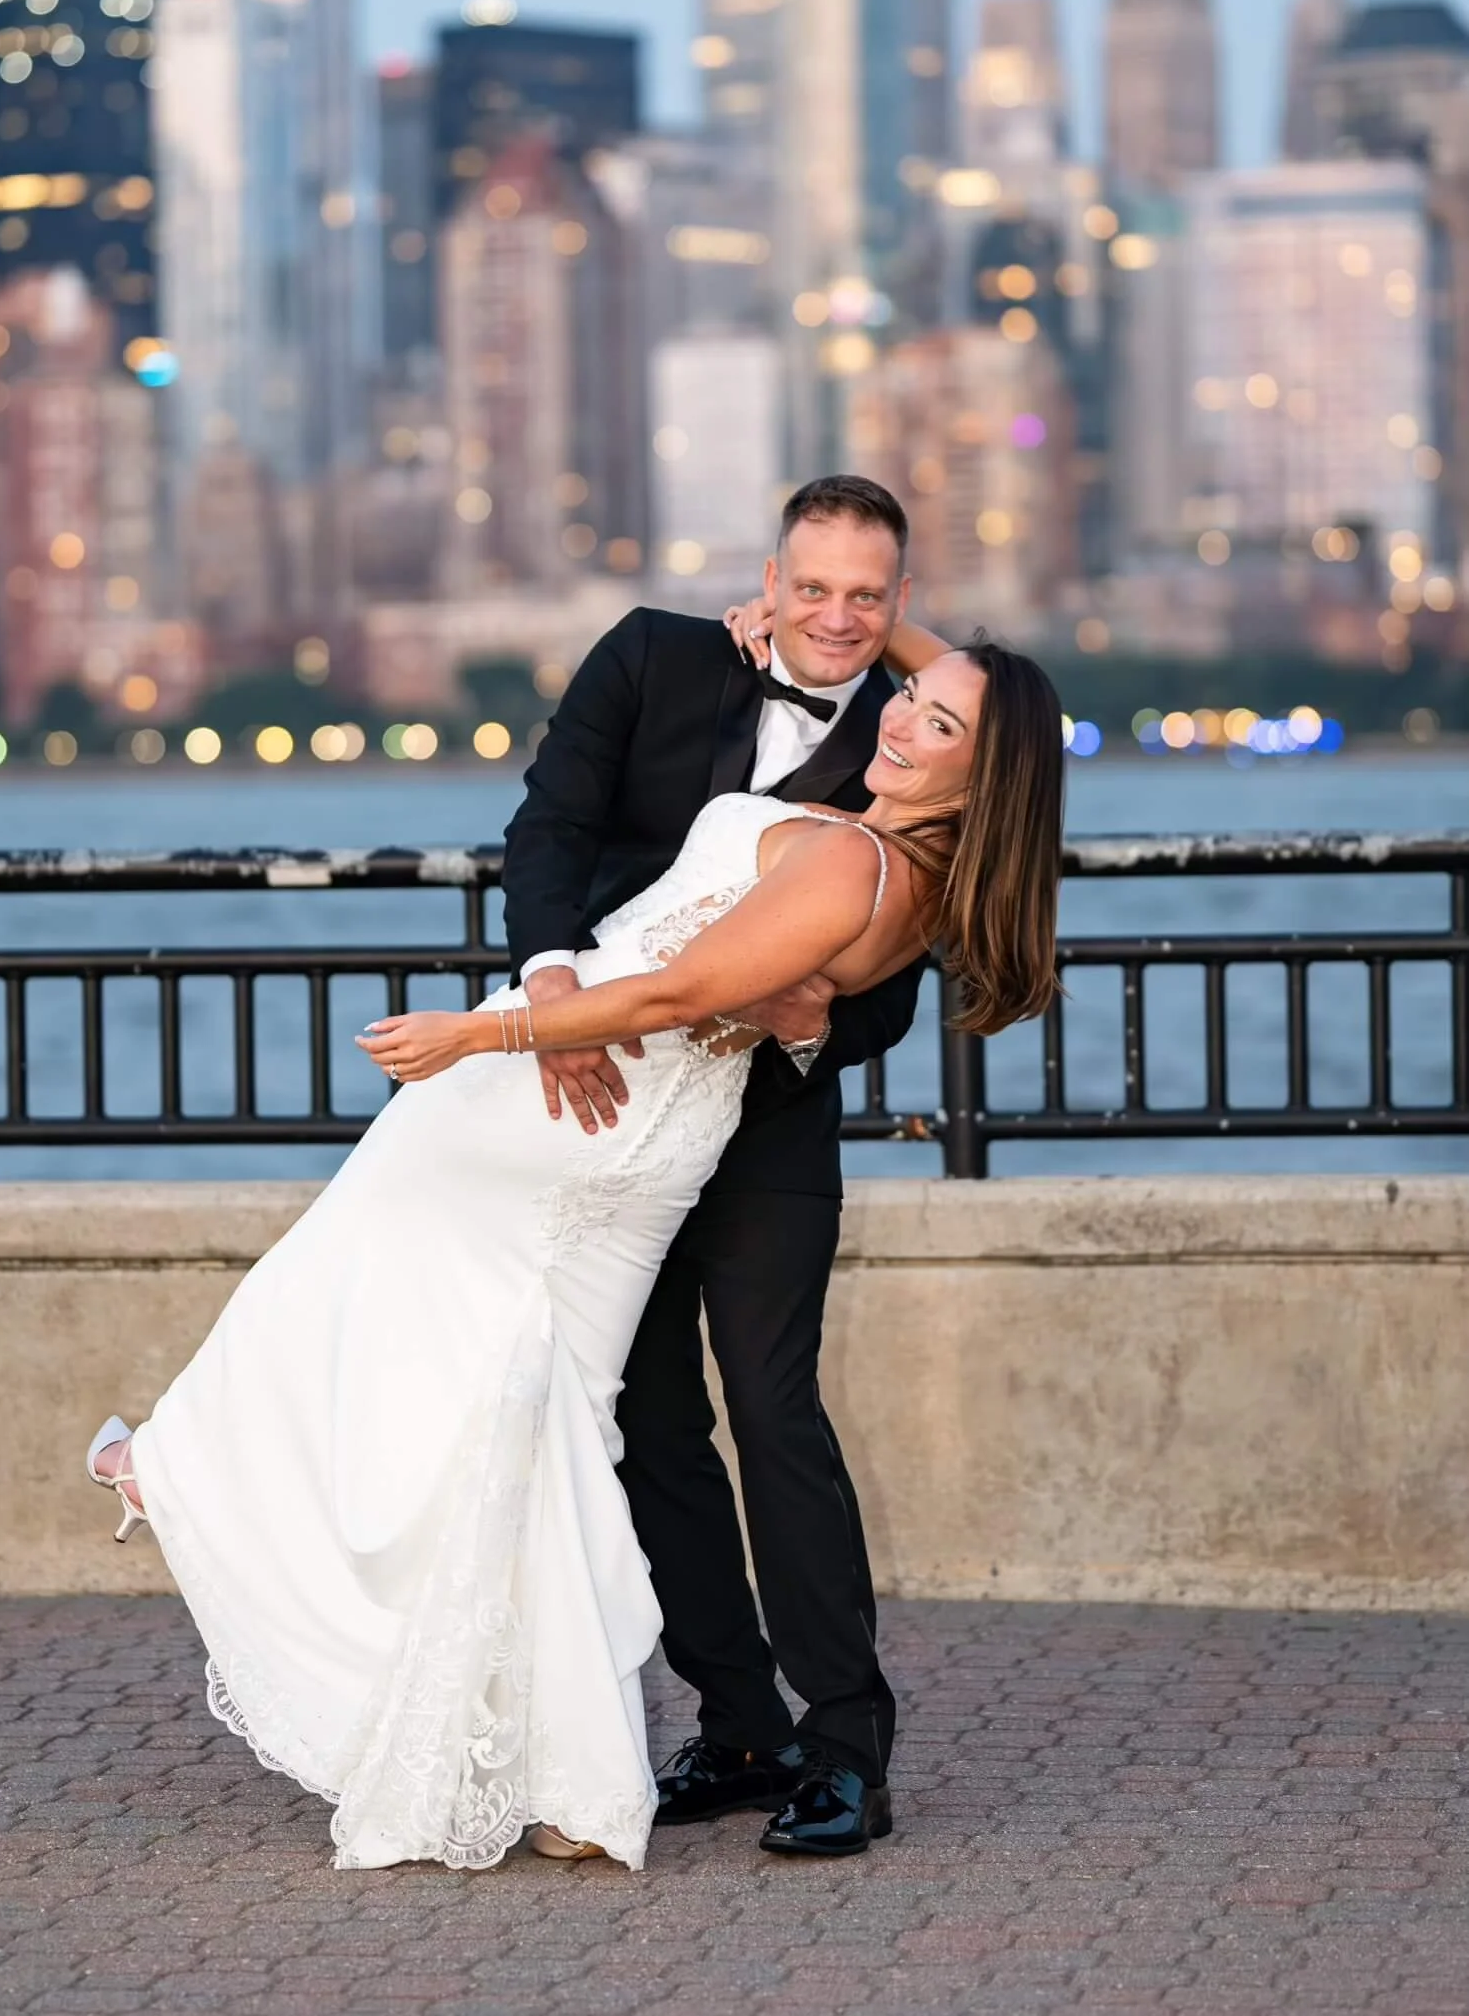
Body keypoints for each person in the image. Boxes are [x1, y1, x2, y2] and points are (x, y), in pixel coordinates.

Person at [84, 607, 1064, 1874]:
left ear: (984, 773)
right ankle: (574, 1767)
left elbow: (667, 991)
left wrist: (475, 1036)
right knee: (560, 1426)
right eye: (904, 690)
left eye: (937, 720)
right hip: (637, 1124)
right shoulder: (893, 855)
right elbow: (616, 879)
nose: (895, 708)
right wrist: (882, 618)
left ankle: (185, 1470)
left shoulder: (852, 861)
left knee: (351, 1284)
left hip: (581, 1095)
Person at [503, 476, 927, 1855]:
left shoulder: (914, 742)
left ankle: (846, 1746)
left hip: (768, 1121)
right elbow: (549, 829)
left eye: (867, 594)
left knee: (772, 1405)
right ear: (769, 577)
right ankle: (737, 1724)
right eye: (813, 587)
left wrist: (822, 1022)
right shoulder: (648, 654)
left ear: (896, 605)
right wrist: (553, 989)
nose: (837, 616)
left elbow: (901, 975)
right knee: (645, 1416)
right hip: (611, 1091)